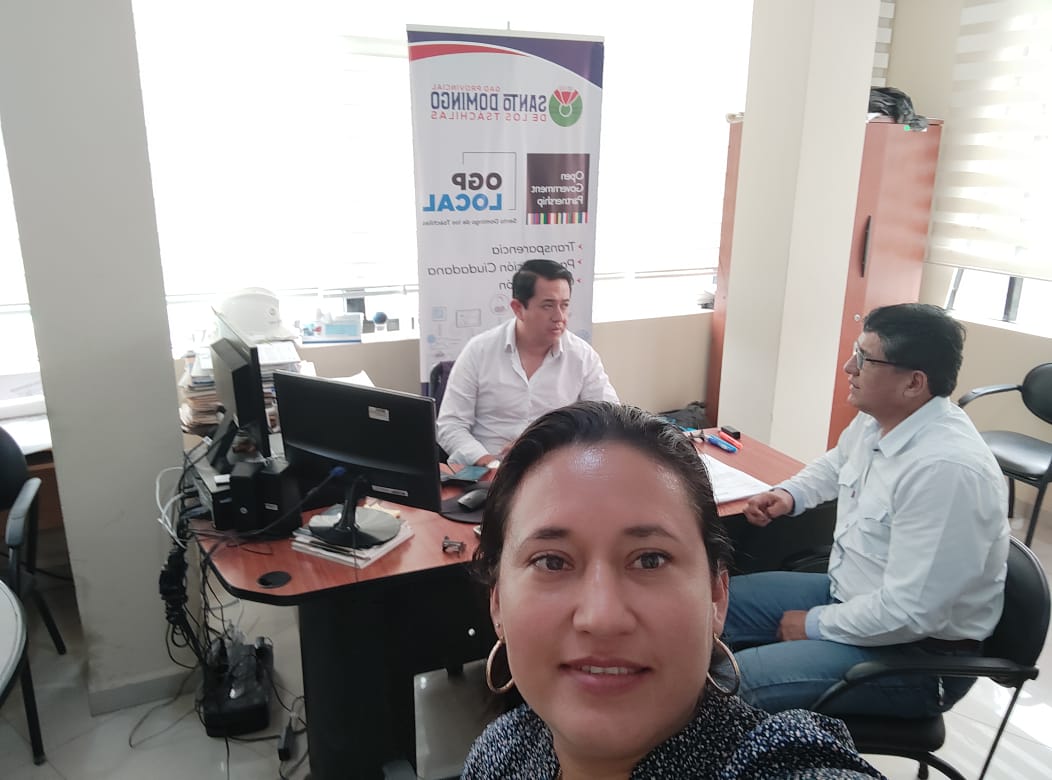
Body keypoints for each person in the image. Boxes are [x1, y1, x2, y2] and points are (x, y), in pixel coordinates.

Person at [463, 401, 883, 779]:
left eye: (650, 560)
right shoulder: (501, 751)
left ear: (717, 595)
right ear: (497, 602)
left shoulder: (775, 764)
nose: (602, 617)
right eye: (551, 562)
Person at [722, 303, 1010, 718]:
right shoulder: (881, 420)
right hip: (850, 599)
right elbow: (838, 462)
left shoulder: (946, 471)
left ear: (914, 383)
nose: (848, 367)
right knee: (704, 606)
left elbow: (911, 613)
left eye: (864, 358)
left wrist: (814, 624)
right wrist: (789, 494)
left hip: (915, 656)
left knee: (734, 682)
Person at [436, 259, 618, 467]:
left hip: (556, 469)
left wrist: (550, 441)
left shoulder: (582, 356)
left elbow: (609, 420)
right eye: (548, 306)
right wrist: (489, 464)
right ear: (518, 308)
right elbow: (451, 425)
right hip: (488, 469)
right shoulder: (479, 351)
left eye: (564, 305)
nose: (559, 317)